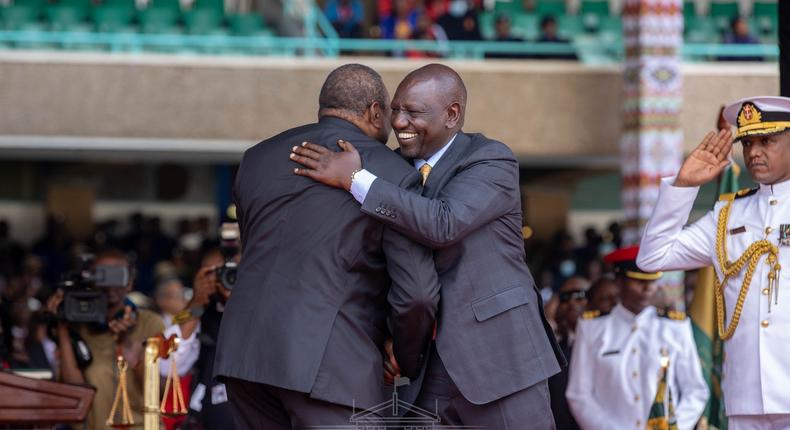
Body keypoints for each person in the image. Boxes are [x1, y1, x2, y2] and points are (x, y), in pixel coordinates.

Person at [290, 63, 563, 428]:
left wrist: (355, 179)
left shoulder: (490, 159)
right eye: (396, 110)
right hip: (422, 365)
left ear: (452, 114)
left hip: (499, 360)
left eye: (413, 112)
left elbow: (444, 223)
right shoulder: (389, 167)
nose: (399, 123)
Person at [213, 64, 440, 429]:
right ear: (374, 112)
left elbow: (260, 249)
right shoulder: (392, 172)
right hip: (330, 363)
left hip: (244, 355)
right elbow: (417, 294)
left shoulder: (257, 158)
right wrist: (404, 356)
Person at [637, 96, 790, 429]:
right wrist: (683, 186)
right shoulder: (728, 214)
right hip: (746, 396)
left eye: (767, 140)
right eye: (747, 142)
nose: (753, 152)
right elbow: (652, 257)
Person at [567, 246, 709, 430]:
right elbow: (579, 395)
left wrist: (672, 426)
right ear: (619, 282)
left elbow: (695, 390)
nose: (647, 288)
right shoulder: (592, 328)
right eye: (639, 281)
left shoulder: (675, 327)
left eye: (652, 281)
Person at [46, 249, 165, 429]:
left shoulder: (149, 323)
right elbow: (74, 393)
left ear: (130, 282)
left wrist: (129, 349)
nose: (110, 284)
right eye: (101, 276)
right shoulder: (77, 326)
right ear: (90, 280)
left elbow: (160, 392)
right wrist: (62, 325)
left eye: (117, 275)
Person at [160, 248, 233, 429]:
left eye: (229, 272)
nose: (220, 279)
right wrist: (197, 301)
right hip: (206, 413)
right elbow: (166, 364)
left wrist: (238, 302)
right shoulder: (197, 312)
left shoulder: (258, 309)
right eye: (212, 273)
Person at [548, 277, 589, 430]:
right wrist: (549, 321)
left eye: (579, 295)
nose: (572, 303)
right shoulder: (556, 347)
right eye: (565, 298)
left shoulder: (608, 341)